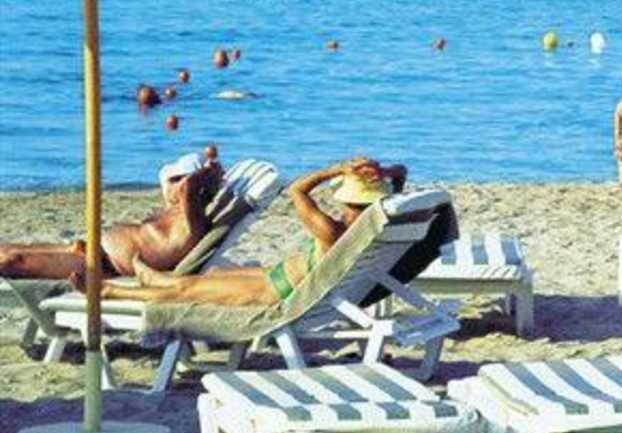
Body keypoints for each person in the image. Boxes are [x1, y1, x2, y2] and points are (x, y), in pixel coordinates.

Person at [76, 157, 406, 306]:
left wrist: (335, 169)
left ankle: (110, 292)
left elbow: (297, 190)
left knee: (187, 291)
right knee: (201, 279)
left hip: (279, 291)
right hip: (282, 275)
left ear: (348, 201)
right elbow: (402, 173)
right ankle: (154, 278)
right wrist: (385, 172)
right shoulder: (381, 220)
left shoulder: (331, 230)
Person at [0, 152, 222, 280]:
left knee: (15, 261)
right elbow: (186, 187)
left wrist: (208, 171)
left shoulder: (194, 222)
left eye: (176, 180)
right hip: (89, 249)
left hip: (99, 266)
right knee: (5, 250)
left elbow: (189, 187)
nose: (169, 185)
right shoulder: (173, 212)